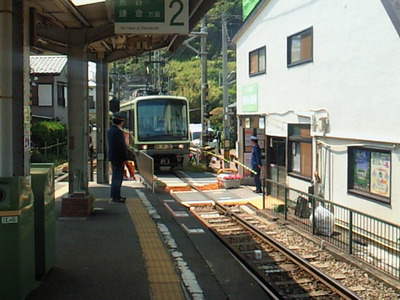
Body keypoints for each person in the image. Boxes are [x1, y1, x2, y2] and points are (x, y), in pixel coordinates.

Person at [107, 113, 129, 203]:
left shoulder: (110, 131)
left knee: (115, 177)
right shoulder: (118, 132)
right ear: (121, 122)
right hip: (119, 158)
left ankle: (115, 195)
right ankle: (116, 197)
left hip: (113, 157)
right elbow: (121, 146)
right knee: (117, 178)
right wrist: (125, 158)